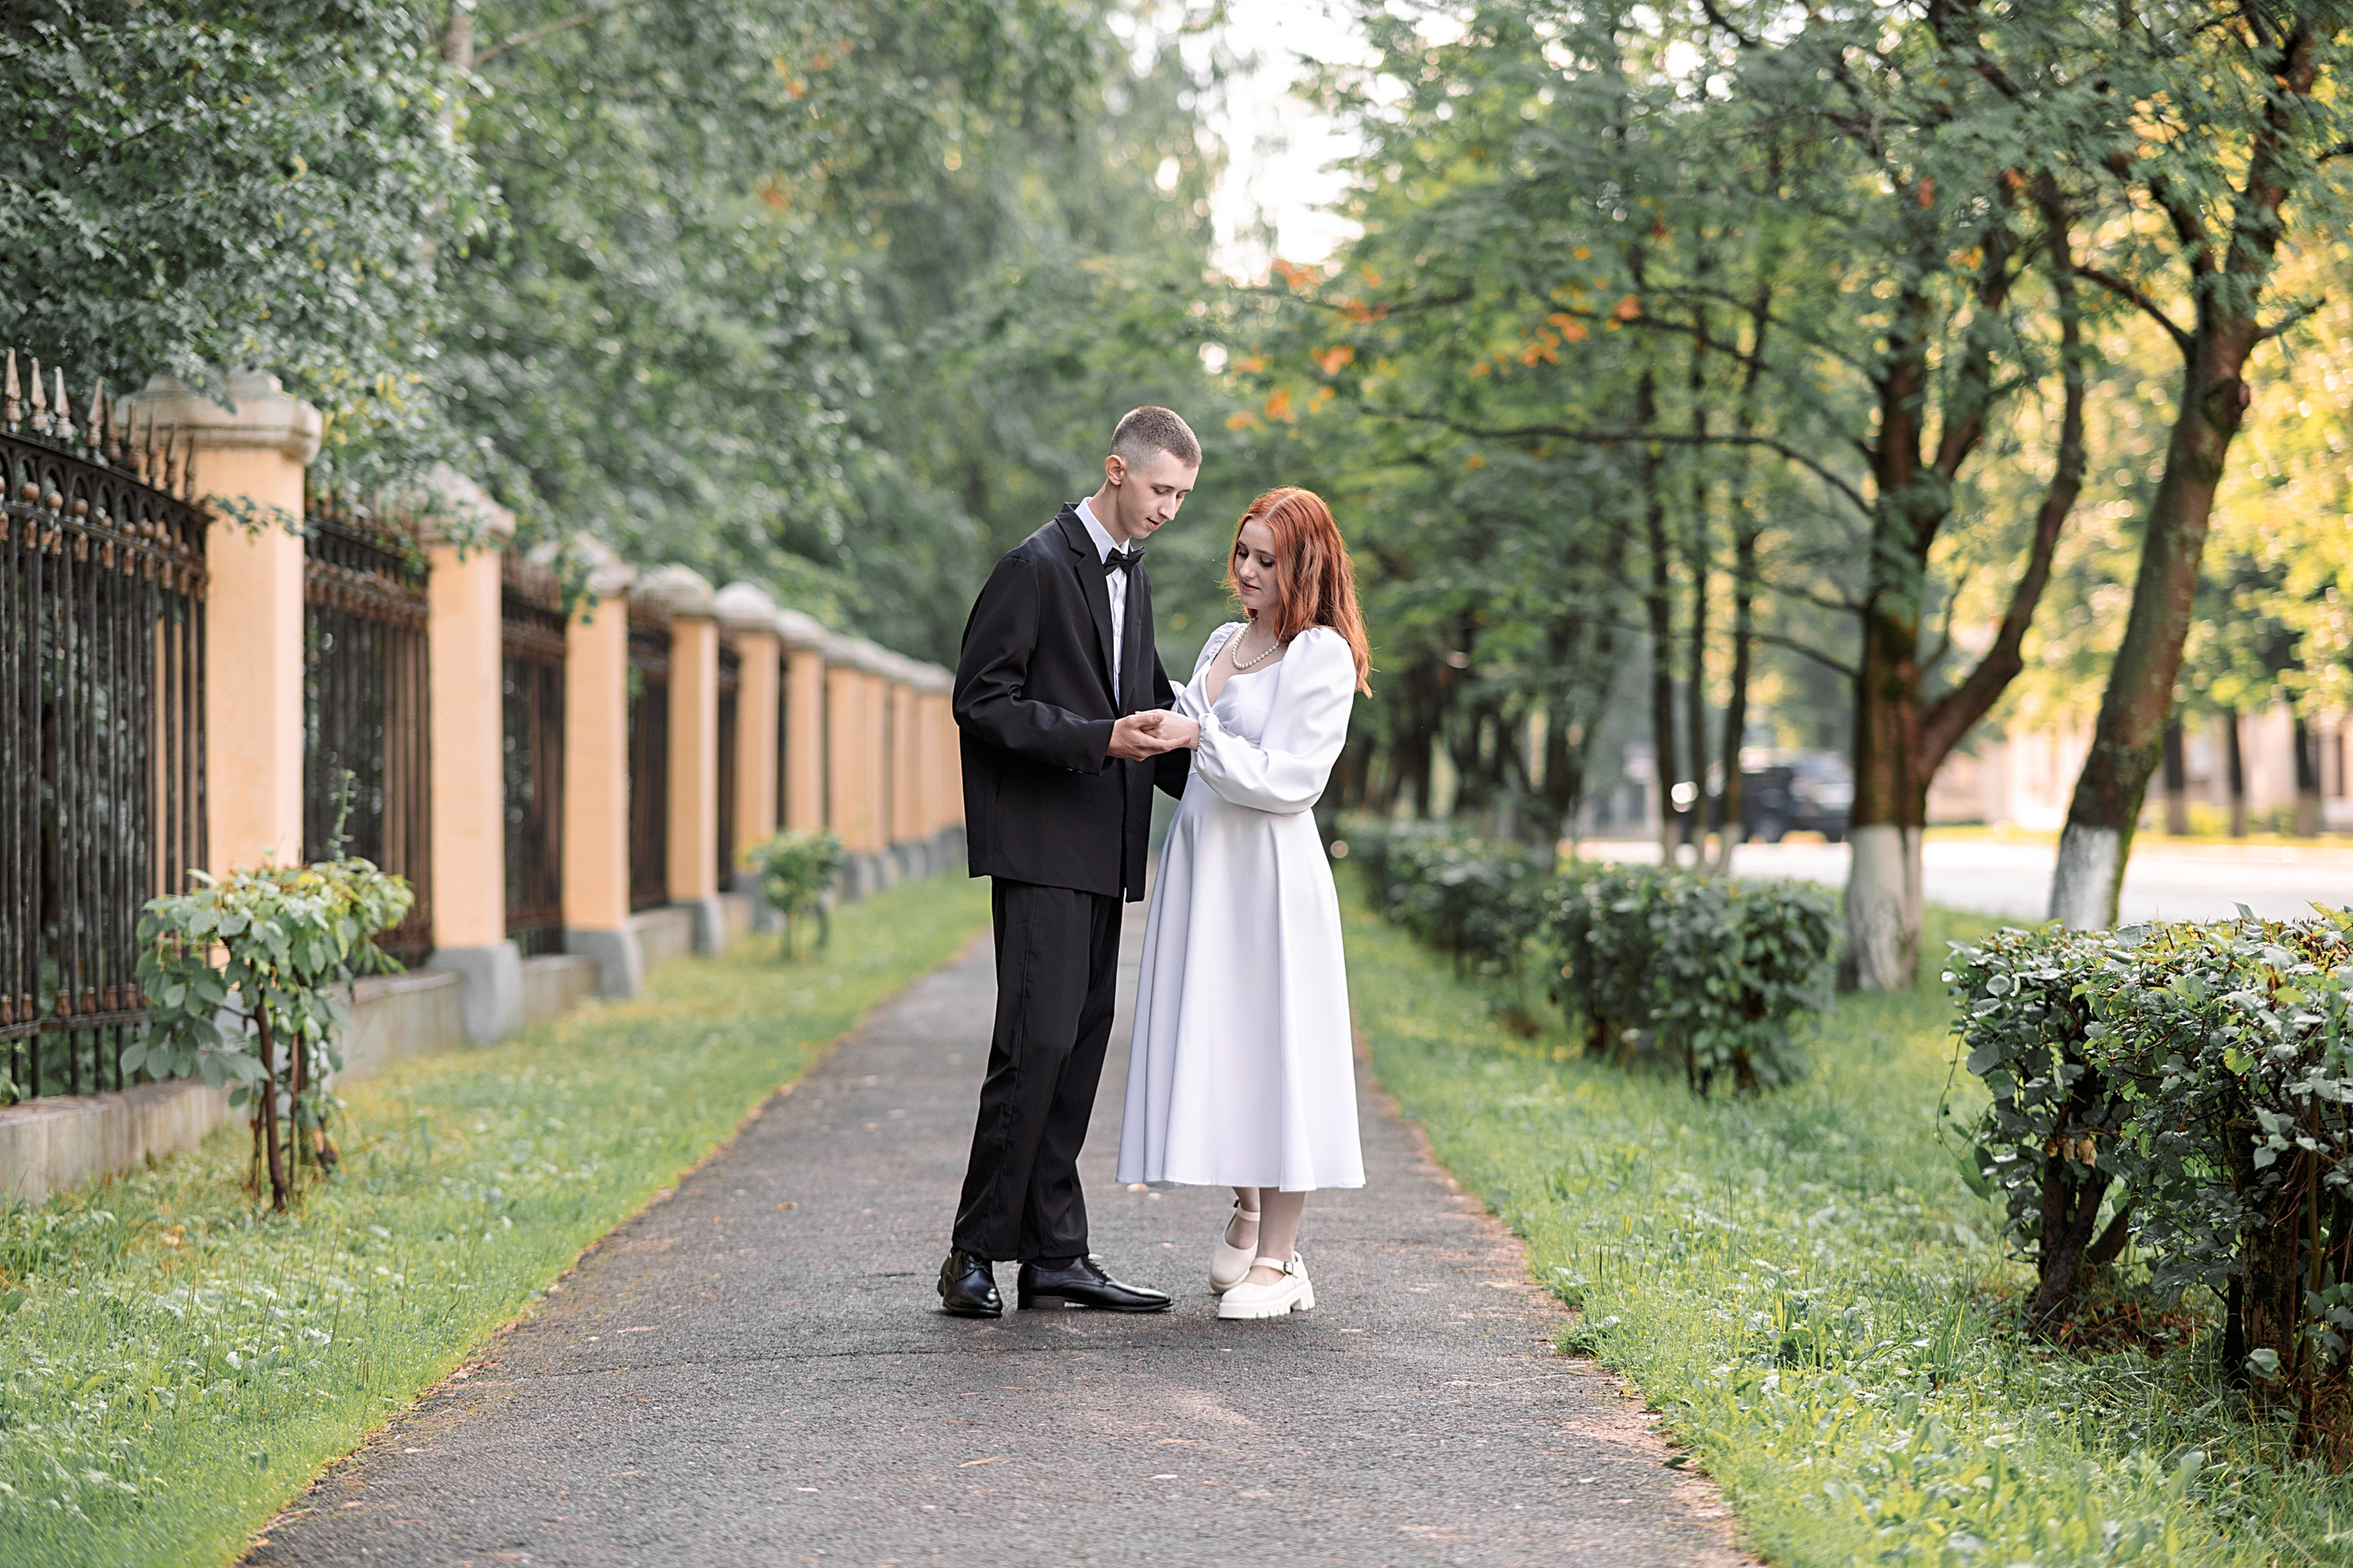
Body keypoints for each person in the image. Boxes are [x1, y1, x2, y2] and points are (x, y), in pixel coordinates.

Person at [937, 406, 1204, 1318]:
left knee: (1081, 1045)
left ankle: (1055, 1253)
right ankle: (972, 1251)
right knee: (1035, 1041)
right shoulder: (1033, 566)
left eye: (1182, 495)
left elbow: (1149, 712)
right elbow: (981, 699)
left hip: (1107, 847)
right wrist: (1098, 738)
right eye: (1161, 488)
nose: (1170, 507)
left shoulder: (1134, 576)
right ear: (1115, 470)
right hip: (1043, 842)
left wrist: (1240, 783)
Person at [1115, 486, 1370, 1320]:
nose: (1248, 571)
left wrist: (1199, 737)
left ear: (1306, 564)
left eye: (1268, 558)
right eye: (1243, 553)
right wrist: (1160, 727)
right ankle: (1250, 1206)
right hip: (1204, 862)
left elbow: (1291, 779)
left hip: (1267, 871)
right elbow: (1195, 731)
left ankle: (1283, 1260)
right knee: (1219, 1035)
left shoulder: (1320, 655)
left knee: (1277, 1046)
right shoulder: (1227, 640)